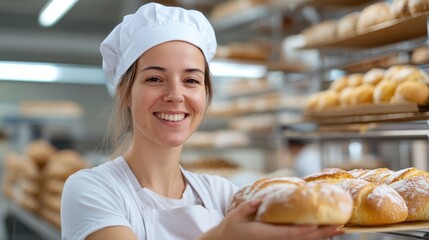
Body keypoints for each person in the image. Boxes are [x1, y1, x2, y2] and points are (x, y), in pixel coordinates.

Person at [61, 2, 344, 240]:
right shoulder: (91, 189)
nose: (175, 95)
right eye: (154, 79)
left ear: (206, 94)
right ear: (125, 94)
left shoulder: (222, 195)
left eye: (191, 80)